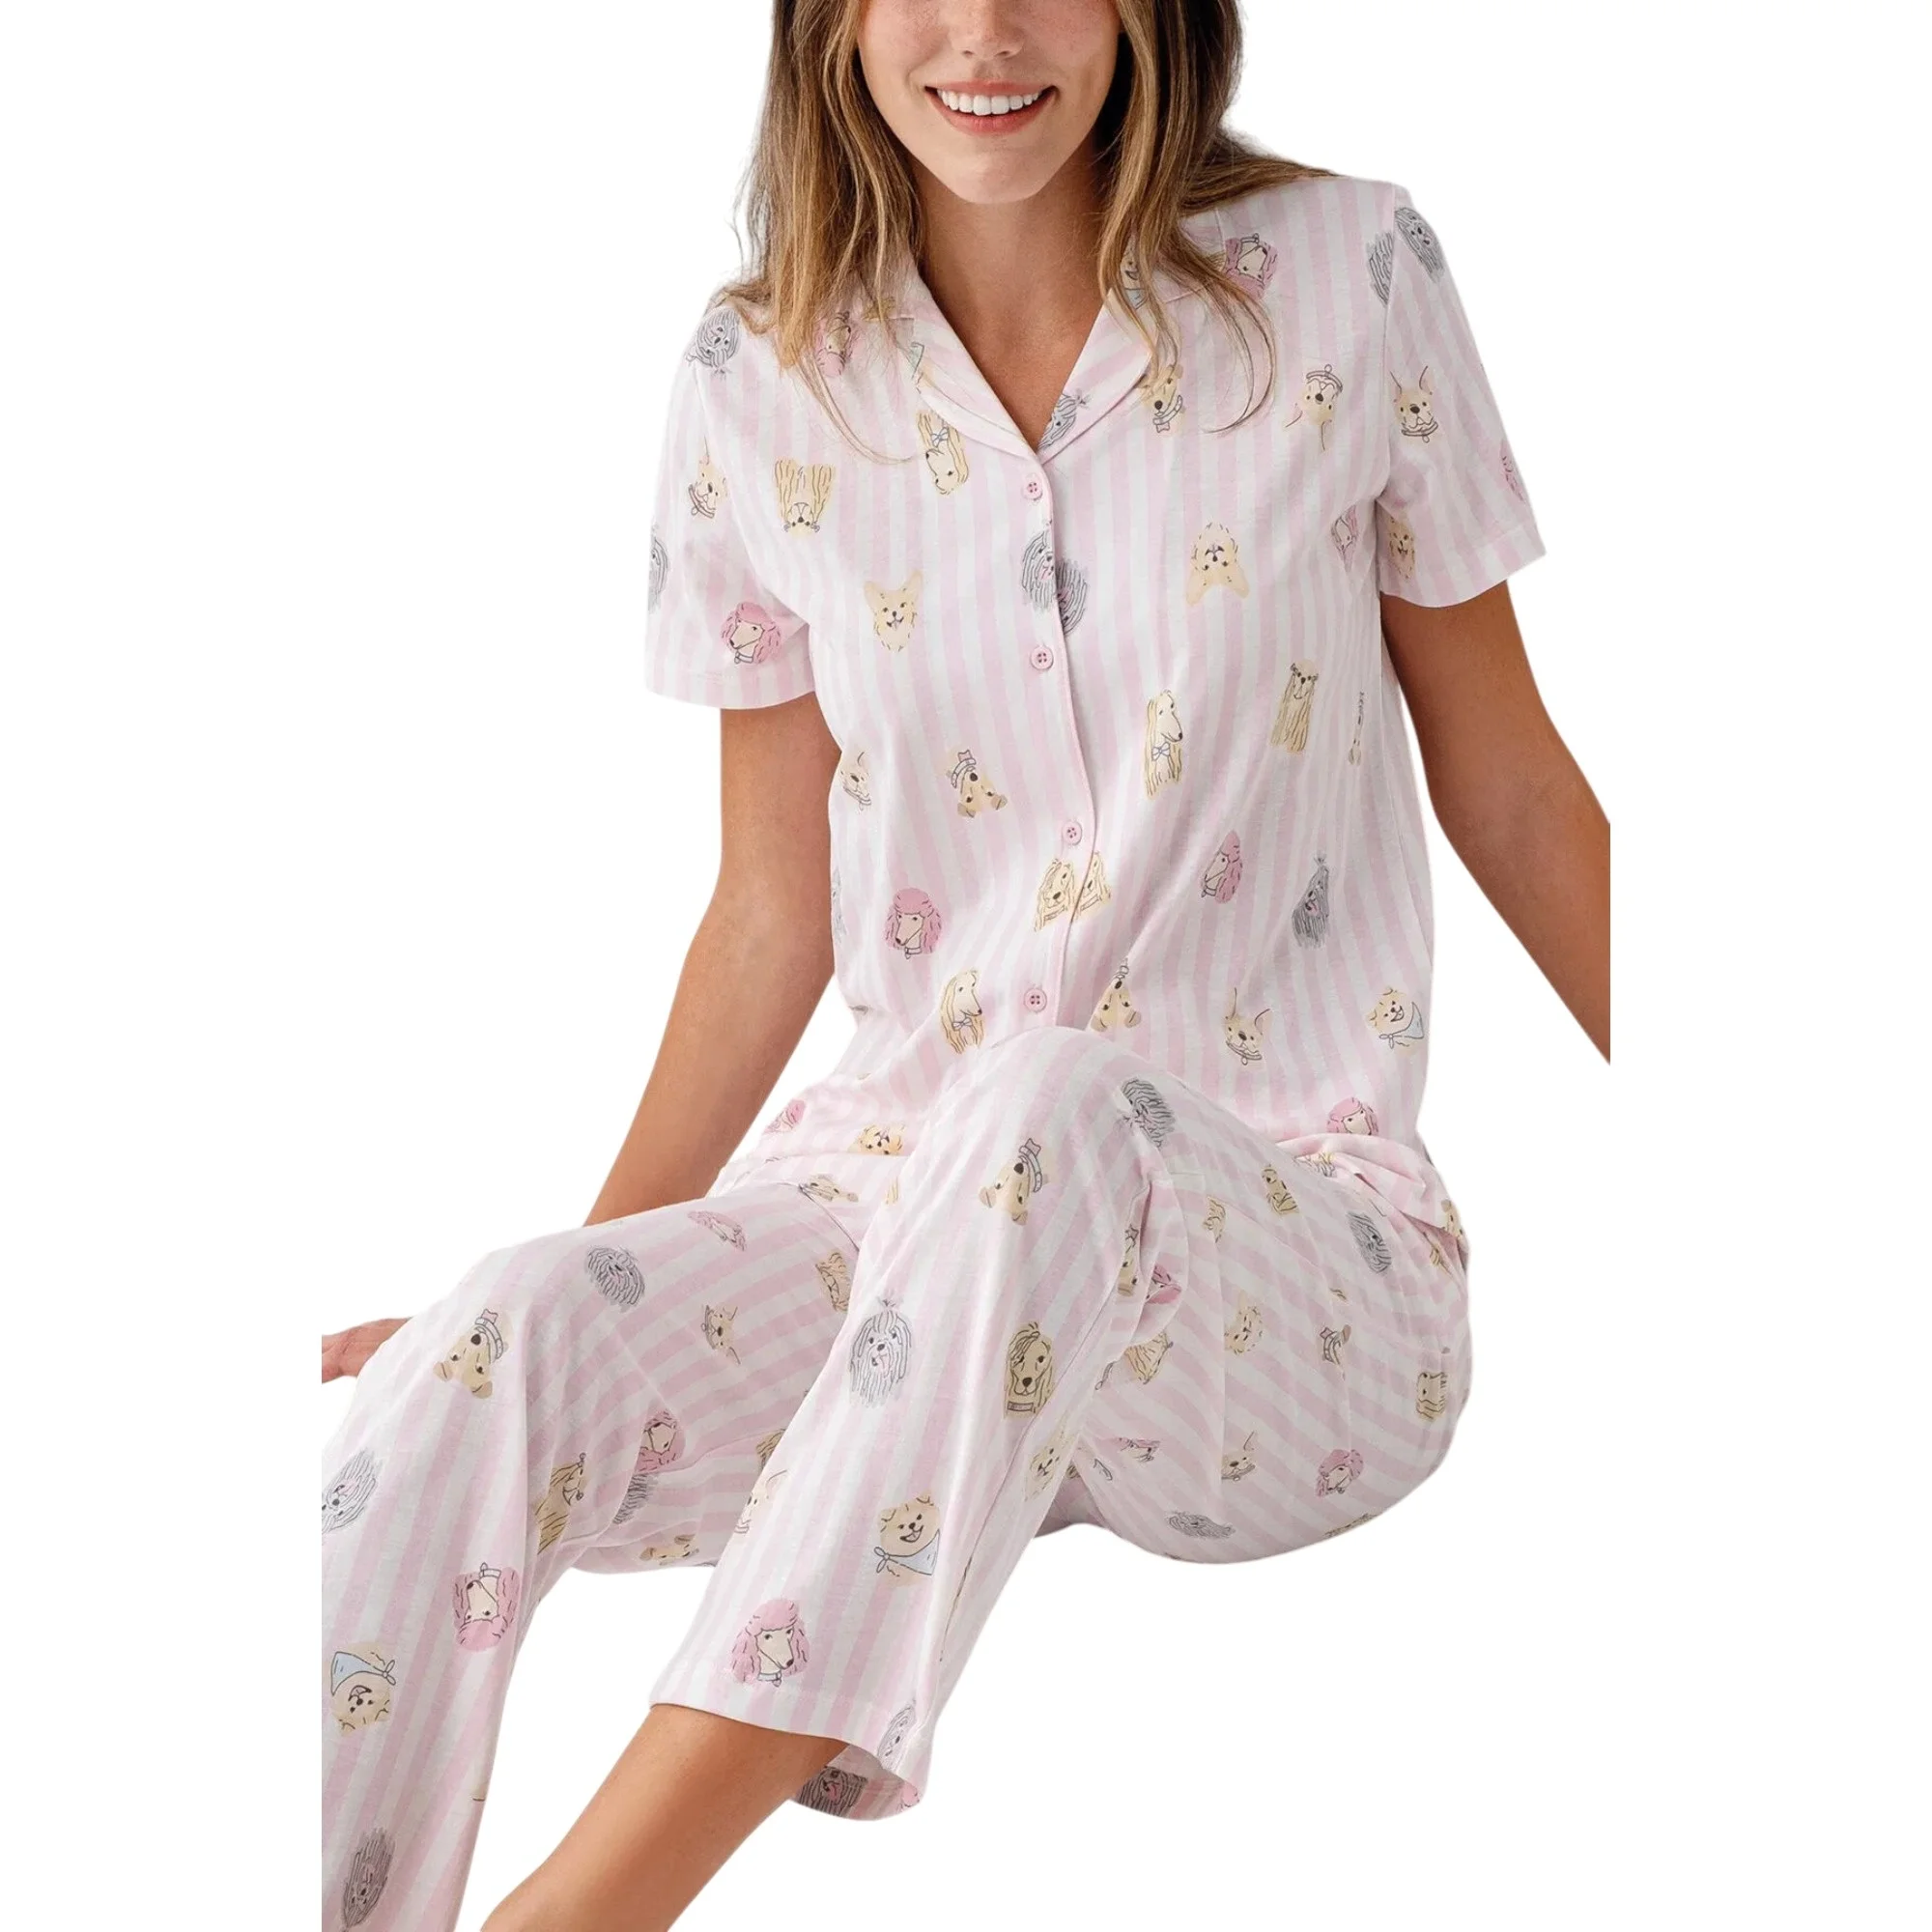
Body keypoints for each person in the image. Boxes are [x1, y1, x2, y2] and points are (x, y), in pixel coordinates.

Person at [318, 3, 1609, 1927]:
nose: (985, 33)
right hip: (899, 1228)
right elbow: (770, 909)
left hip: (1290, 1277)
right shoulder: (758, 375)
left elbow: (1510, 786)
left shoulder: (1350, 274)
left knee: (1048, 1103)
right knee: (484, 1344)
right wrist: (597, 1289)